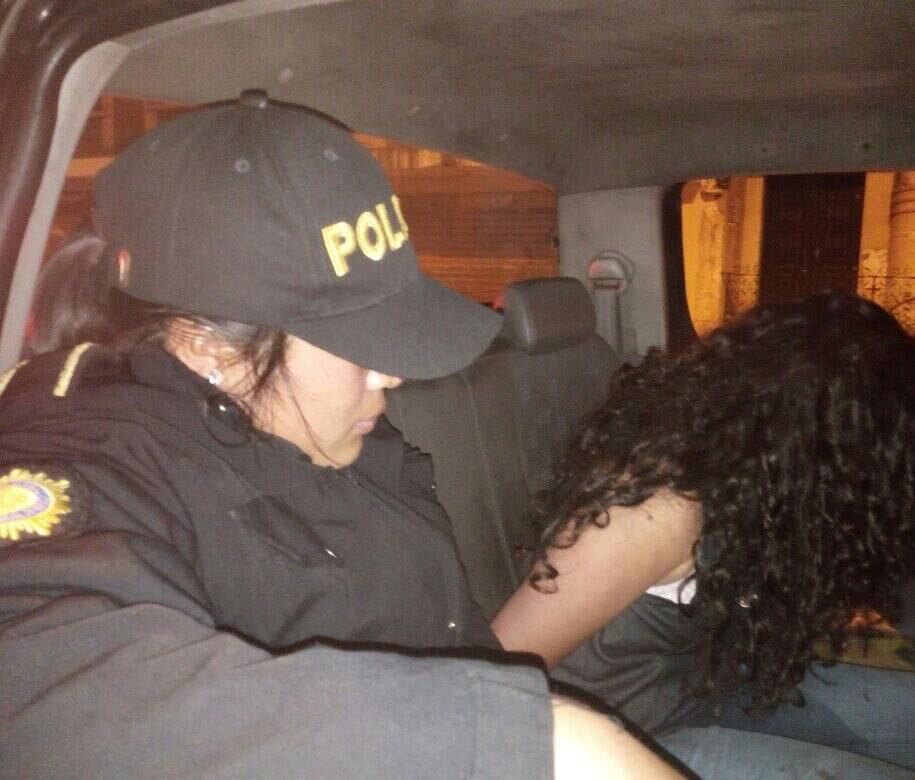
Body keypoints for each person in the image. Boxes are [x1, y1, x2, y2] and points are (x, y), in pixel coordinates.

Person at [0, 90, 686, 778]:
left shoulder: (344, 427)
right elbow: (36, 681)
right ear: (208, 345)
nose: (391, 373)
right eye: (358, 340)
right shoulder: (88, 449)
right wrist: (518, 740)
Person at [493, 292, 915, 778]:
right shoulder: (656, 508)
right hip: (629, 730)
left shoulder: (758, 483)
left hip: (703, 685)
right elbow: (496, 670)